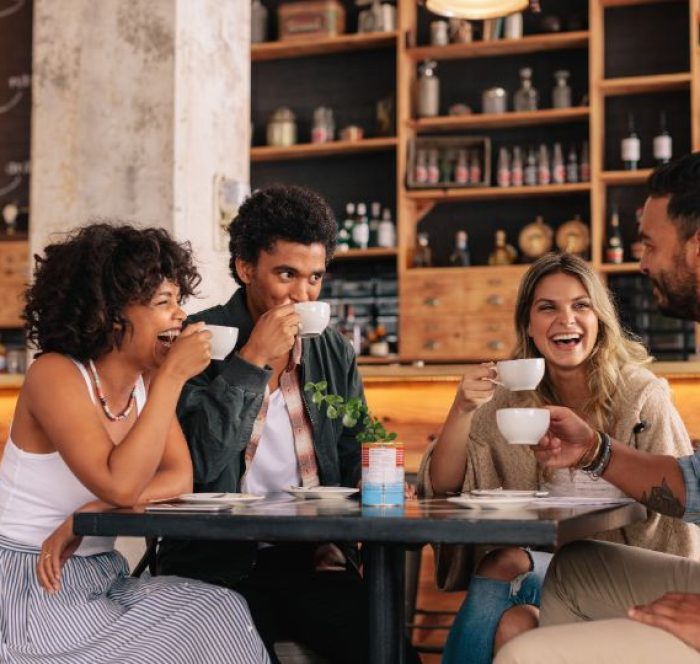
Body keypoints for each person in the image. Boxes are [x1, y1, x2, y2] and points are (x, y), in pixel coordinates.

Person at [156, 184, 418, 664]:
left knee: (390, 652)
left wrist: (381, 479)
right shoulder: (200, 340)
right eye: (286, 274)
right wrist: (253, 358)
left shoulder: (332, 350)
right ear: (245, 268)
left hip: (314, 561)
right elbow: (196, 464)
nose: (303, 294)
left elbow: (354, 449)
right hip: (218, 564)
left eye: (315, 278)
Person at [0, 223, 269, 664]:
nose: (181, 315)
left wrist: (93, 514)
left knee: (219, 609)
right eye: (164, 303)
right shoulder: (55, 374)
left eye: (179, 300)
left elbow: (179, 477)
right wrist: (172, 378)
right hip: (32, 584)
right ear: (108, 313)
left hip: (99, 578)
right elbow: (119, 484)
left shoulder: (145, 383)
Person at [418, 252, 700, 664]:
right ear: (528, 326)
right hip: (551, 570)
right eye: (547, 307)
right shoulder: (506, 399)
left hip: (622, 576)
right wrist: (461, 409)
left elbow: (679, 515)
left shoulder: (640, 396)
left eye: (580, 306)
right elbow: (442, 485)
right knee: (509, 592)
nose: (566, 320)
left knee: (508, 582)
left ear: (600, 319)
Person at [494, 152, 700, 664]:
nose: (642, 263)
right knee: (575, 566)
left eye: (651, 245)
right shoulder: (508, 397)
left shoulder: (641, 392)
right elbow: (695, 483)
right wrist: (595, 452)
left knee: (523, 651)